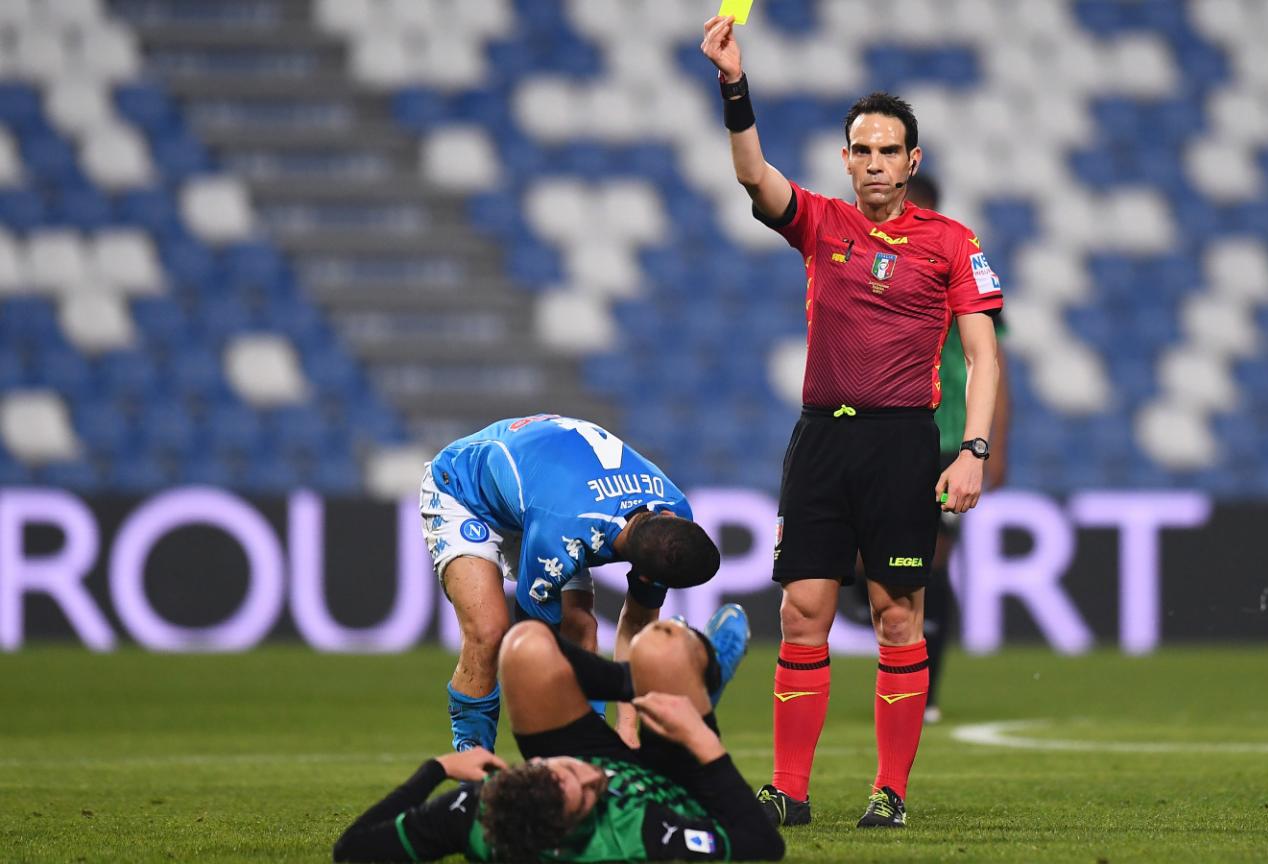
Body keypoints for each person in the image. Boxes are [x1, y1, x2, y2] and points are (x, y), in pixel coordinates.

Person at [701, 15, 1004, 829]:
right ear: (847, 160)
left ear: (913, 160)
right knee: (803, 609)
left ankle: (890, 792)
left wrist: (972, 448)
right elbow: (752, 175)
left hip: (904, 441)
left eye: (888, 150)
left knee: (897, 612)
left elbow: (983, 356)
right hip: (822, 439)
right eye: (860, 150)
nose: (874, 162)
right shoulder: (820, 224)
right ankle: (790, 791)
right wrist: (735, 83)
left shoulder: (951, 244)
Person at [333, 605, 785, 862]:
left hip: (577, 756)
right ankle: (696, 673)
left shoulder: (477, 812)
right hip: (671, 784)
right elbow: (763, 846)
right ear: (564, 836)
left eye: (569, 772)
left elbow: (351, 853)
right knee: (660, 643)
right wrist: (704, 743)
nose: (595, 778)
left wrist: (436, 770)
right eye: (588, 799)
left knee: (524, 644)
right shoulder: (636, 842)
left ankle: (642, 677)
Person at [420, 414, 721, 755]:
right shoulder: (563, 536)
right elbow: (533, 650)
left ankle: (591, 759)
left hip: (547, 491)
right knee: (489, 633)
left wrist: (626, 726)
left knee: (580, 629)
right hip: (465, 489)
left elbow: (638, 624)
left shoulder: (674, 516)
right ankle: (474, 769)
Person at [850, 174, 1013, 726]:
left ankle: (926, 690)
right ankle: (903, 652)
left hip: (945, 440)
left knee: (930, 564)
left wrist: (990, 446)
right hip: (880, 432)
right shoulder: (872, 263)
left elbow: (993, 364)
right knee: (861, 558)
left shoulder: (959, 263)